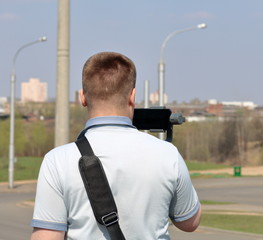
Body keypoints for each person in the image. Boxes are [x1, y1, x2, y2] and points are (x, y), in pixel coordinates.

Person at [30, 52, 201, 240]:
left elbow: (47, 236)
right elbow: (189, 223)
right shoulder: (168, 154)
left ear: (83, 97)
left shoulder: (57, 160)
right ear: (132, 96)